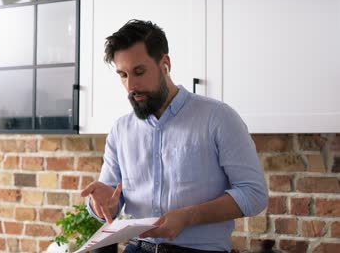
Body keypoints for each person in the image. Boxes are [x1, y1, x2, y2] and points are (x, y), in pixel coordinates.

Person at [80, 19, 268, 253]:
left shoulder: (218, 118)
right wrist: (102, 204)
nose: (131, 86)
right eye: (123, 75)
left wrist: (189, 216)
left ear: (165, 64)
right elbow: (110, 201)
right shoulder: (120, 130)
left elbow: (254, 194)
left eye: (139, 72)